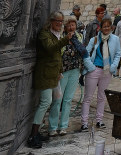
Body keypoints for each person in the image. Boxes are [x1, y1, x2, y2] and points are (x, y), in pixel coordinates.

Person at [28, 11, 70, 148]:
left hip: (53, 73)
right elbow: (51, 49)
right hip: (44, 73)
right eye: (57, 21)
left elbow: (57, 56)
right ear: (51, 21)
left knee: (53, 100)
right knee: (46, 102)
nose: (60, 24)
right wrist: (65, 40)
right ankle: (33, 135)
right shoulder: (44, 34)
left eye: (61, 21)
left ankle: (38, 131)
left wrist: (60, 71)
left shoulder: (55, 35)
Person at [82, 17, 121, 131]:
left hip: (107, 70)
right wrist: (90, 66)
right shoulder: (94, 40)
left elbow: (118, 54)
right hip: (94, 69)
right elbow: (86, 53)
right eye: (104, 26)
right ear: (100, 28)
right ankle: (84, 122)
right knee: (88, 97)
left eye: (109, 26)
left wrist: (113, 67)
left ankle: (99, 120)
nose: (107, 28)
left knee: (102, 97)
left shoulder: (115, 39)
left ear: (111, 27)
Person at [50, 17, 86, 136]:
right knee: (57, 99)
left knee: (68, 99)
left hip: (75, 70)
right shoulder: (61, 37)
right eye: (69, 25)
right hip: (62, 71)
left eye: (73, 25)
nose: (71, 27)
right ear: (65, 27)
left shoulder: (79, 37)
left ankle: (64, 126)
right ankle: (53, 127)